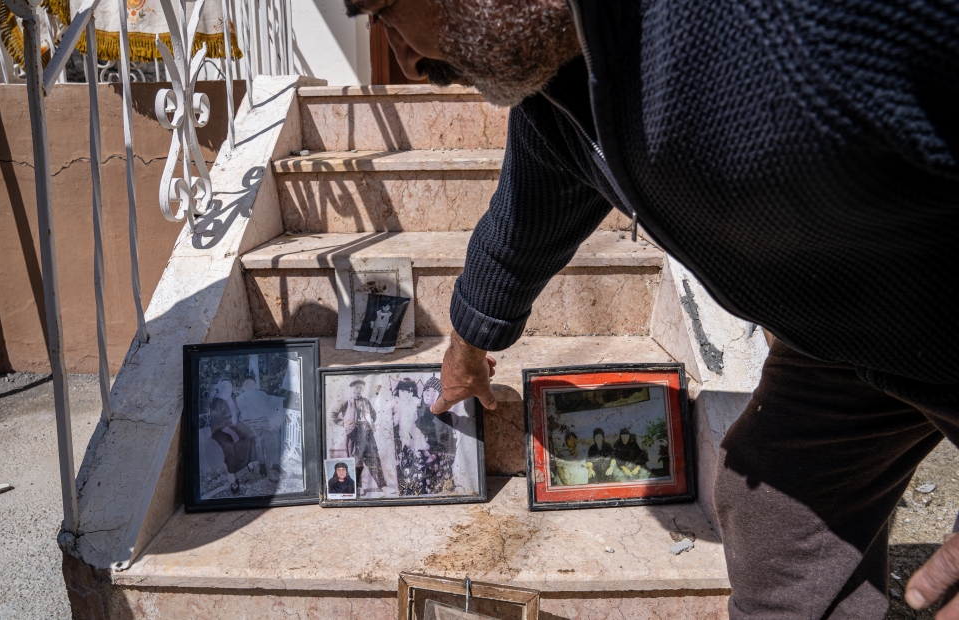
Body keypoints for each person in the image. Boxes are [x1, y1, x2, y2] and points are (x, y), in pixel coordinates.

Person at [345, 0, 959, 616]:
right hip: (837, 325)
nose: (407, 60)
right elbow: (525, 218)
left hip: (934, 310)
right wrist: (468, 343)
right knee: (776, 510)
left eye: (387, 12)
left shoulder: (798, 19)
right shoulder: (559, 85)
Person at [332, 380, 387, 495]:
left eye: (360, 388)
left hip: (367, 434)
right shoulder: (347, 401)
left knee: (374, 458)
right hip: (353, 434)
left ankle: (382, 485)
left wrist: (369, 424)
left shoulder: (366, 401)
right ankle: (358, 486)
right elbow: (333, 415)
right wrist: (343, 424)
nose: (358, 391)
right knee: (356, 460)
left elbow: (373, 414)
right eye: (355, 388)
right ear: (351, 389)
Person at [207, 395, 257, 495]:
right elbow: (219, 423)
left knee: (250, 435)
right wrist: (233, 434)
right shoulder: (217, 401)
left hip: (233, 424)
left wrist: (239, 417)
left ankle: (249, 461)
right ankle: (231, 473)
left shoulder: (233, 398)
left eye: (228, 385)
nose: (227, 388)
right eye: (224, 385)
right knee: (229, 445)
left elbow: (237, 413)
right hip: (219, 429)